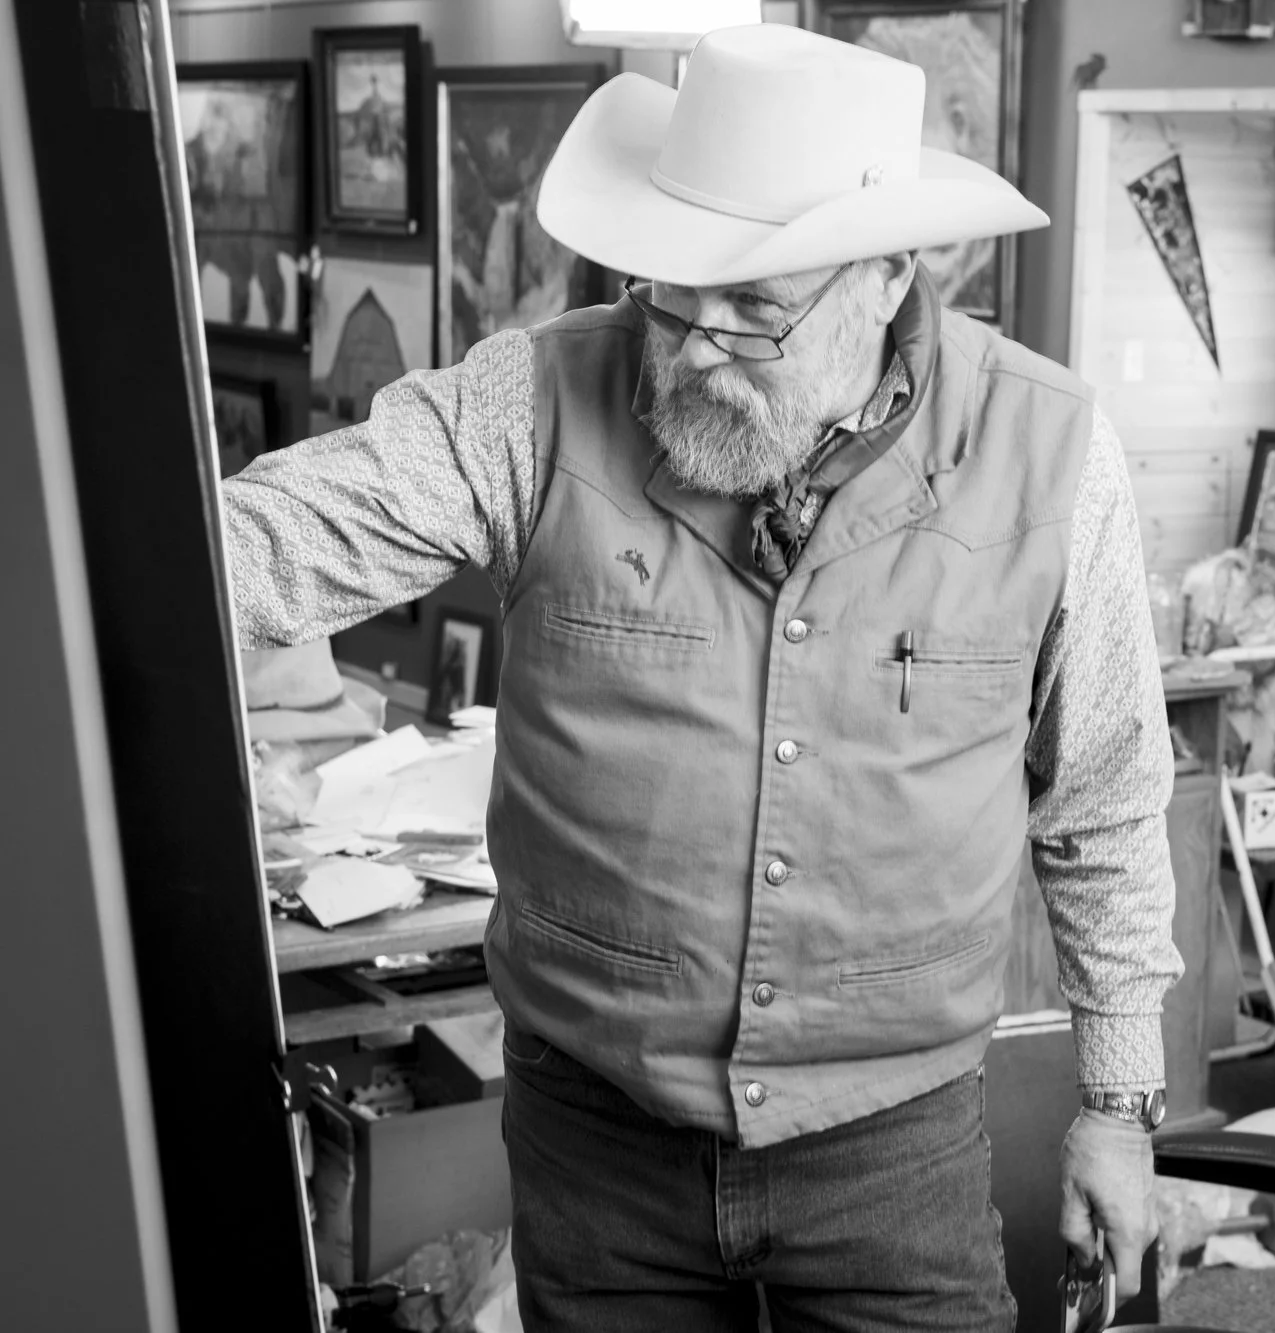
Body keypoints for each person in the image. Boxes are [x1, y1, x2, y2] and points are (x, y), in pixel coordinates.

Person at [222, 23, 1180, 1333]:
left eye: (754, 305)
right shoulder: (539, 400)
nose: (688, 343)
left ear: (889, 276)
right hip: (596, 1146)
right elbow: (256, 548)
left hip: (892, 1154)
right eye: (672, 289)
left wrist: (1119, 1113)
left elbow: (1107, 804)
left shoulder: (1055, 457)